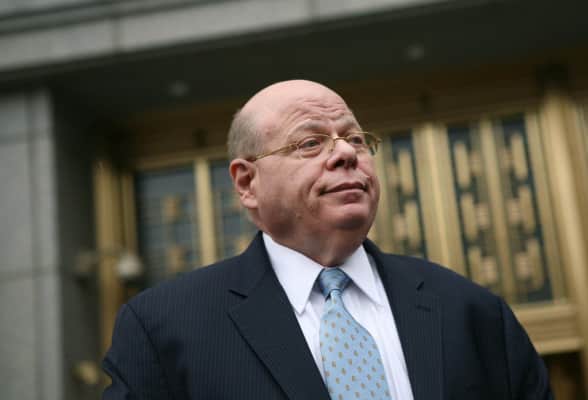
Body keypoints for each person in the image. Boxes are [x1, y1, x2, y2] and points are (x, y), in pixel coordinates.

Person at [103, 80, 552, 399]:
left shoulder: (469, 310)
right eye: (309, 144)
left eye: (355, 138)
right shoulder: (165, 328)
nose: (345, 153)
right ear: (247, 183)